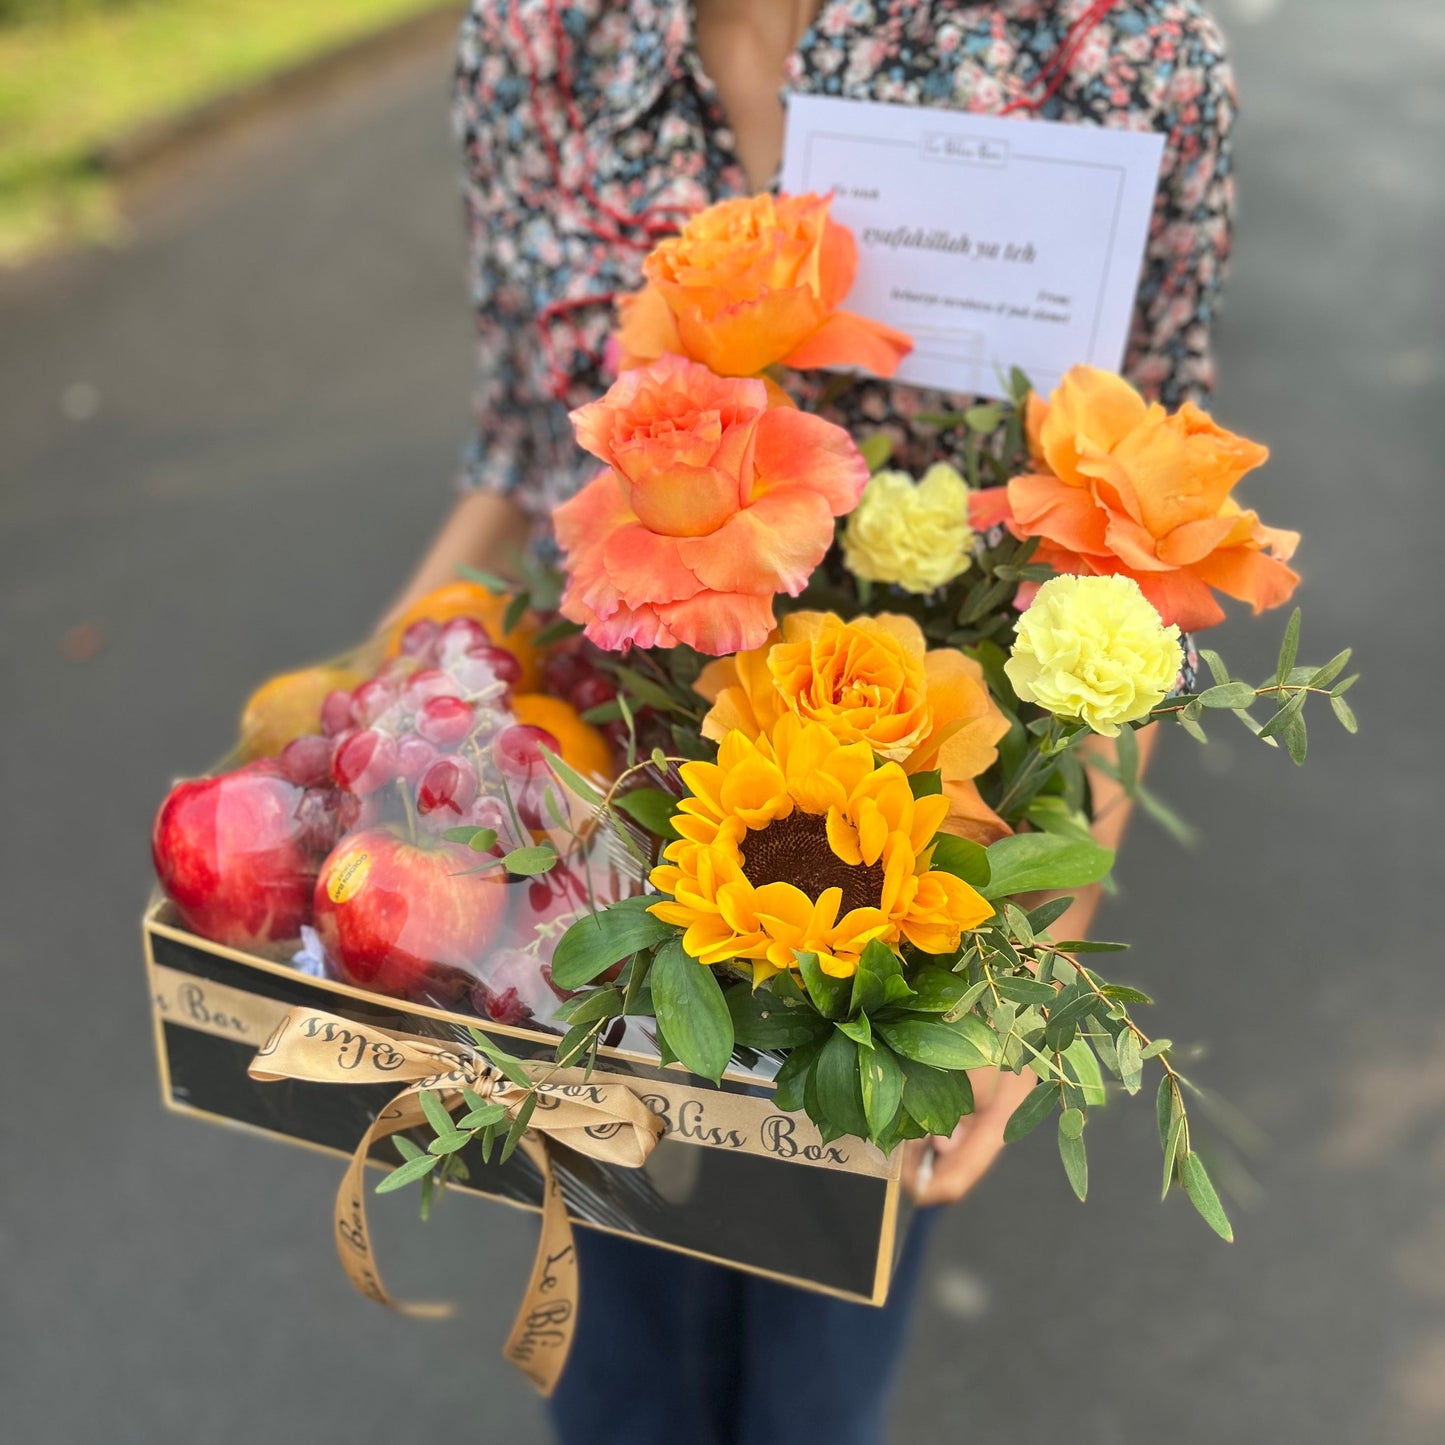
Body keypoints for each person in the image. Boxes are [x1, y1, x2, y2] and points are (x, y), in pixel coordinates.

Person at [383, 2, 1239, 1440]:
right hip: (598, 893)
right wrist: (346, 743)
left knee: (812, 1399)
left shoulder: (1110, 52)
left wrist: (1038, 947)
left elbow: (1141, 536)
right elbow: (518, 466)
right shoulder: (534, 38)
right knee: (617, 1385)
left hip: (903, 919)